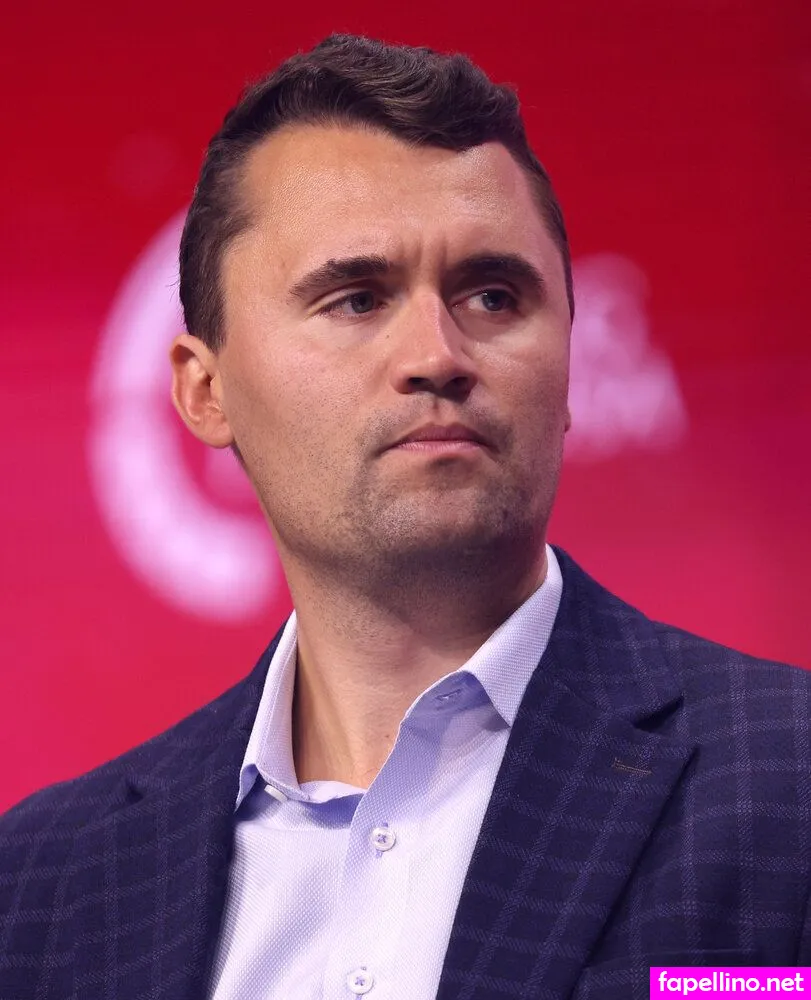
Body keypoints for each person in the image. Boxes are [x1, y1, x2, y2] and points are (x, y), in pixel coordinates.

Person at [1, 32, 809, 1000]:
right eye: (356, 299)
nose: (437, 354)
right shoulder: (39, 888)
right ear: (205, 391)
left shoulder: (787, 779)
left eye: (493, 296)